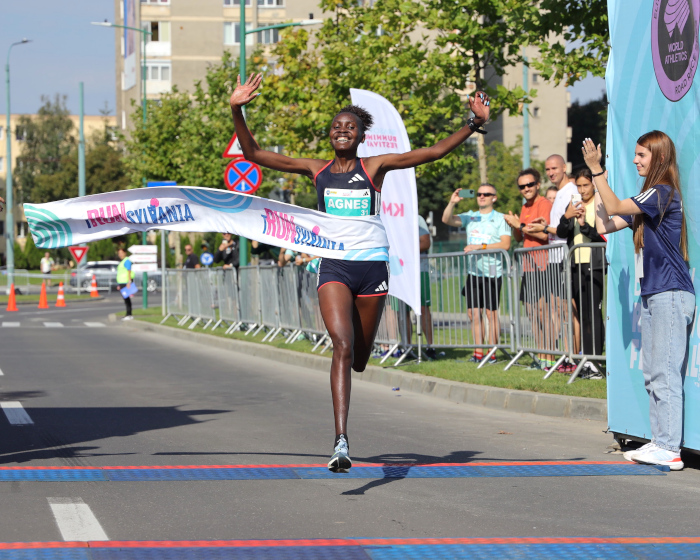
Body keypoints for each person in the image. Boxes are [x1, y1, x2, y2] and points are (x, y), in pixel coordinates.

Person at [230, 72, 490, 472]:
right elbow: (255, 155)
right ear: (330, 135)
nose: (342, 130)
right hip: (334, 265)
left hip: (372, 269)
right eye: (336, 126)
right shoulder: (316, 170)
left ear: (360, 135)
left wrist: (473, 125)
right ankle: (340, 440)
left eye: (349, 127)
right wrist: (237, 109)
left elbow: (433, 152)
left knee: (360, 355)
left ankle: (356, 360)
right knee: (342, 344)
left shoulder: (375, 167)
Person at [583, 131, 693, 470]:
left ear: (658, 157)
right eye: (634, 155)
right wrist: (592, 204)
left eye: (641, 155)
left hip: (670, 293)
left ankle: (669, 448)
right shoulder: (649, 198)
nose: (635, 160)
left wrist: (596, 171)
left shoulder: (662, 193)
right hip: (654, 294)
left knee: (665, 373)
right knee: (653, 373)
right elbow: (609, 222)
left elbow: (616, 206)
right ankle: (660, 443)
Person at [443, 184, 511, 363]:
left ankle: (492, 352)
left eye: (486, 194)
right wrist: (452, 202)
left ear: (494, 198)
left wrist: (480, 247)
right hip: (473, 272)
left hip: (492, 271)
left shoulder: (500, 218)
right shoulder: (470, 215)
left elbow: (505, 244)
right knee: (474, 313)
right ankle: (478, 353)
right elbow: (446, 220)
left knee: (491, 314)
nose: (482, 196)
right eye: (479, 194)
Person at [555, 168, 606, 375]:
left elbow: (603, 236)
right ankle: (586, 358)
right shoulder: (573, 203)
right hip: (575, 265)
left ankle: (595, 360)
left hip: (593, 266)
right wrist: (566, 217)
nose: (583, 190)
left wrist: (584, 225)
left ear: (593, 185)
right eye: (579, 186)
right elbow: (560, 232)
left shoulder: (600, 204)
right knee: (582, 315)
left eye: (586, 185)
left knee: (593, 313)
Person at [504, 169, 553, 369]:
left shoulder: (545, 204)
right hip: (528, 265)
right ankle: (540, 356)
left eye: (529, 185)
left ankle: (549, 355)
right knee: (531, 313)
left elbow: (544, 236)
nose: (526, 189)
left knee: (543, 312)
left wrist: (520, 224)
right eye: (522, 186)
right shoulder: (524, 207)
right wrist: (515, 226)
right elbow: (519, 237)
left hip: (544, 264)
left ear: (538, 184)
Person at [116, 247, 134, 321]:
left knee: (127, 299)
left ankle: (129, 314)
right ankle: (128, 314)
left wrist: (129, 282)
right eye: (119, 253)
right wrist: (119, 285)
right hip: (122, 282)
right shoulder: (122, 261)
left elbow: (129, 271)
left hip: (126, 282)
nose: (120, 255)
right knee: (125, 299)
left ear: (125, 253)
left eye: (121, 253)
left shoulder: (126, 261)